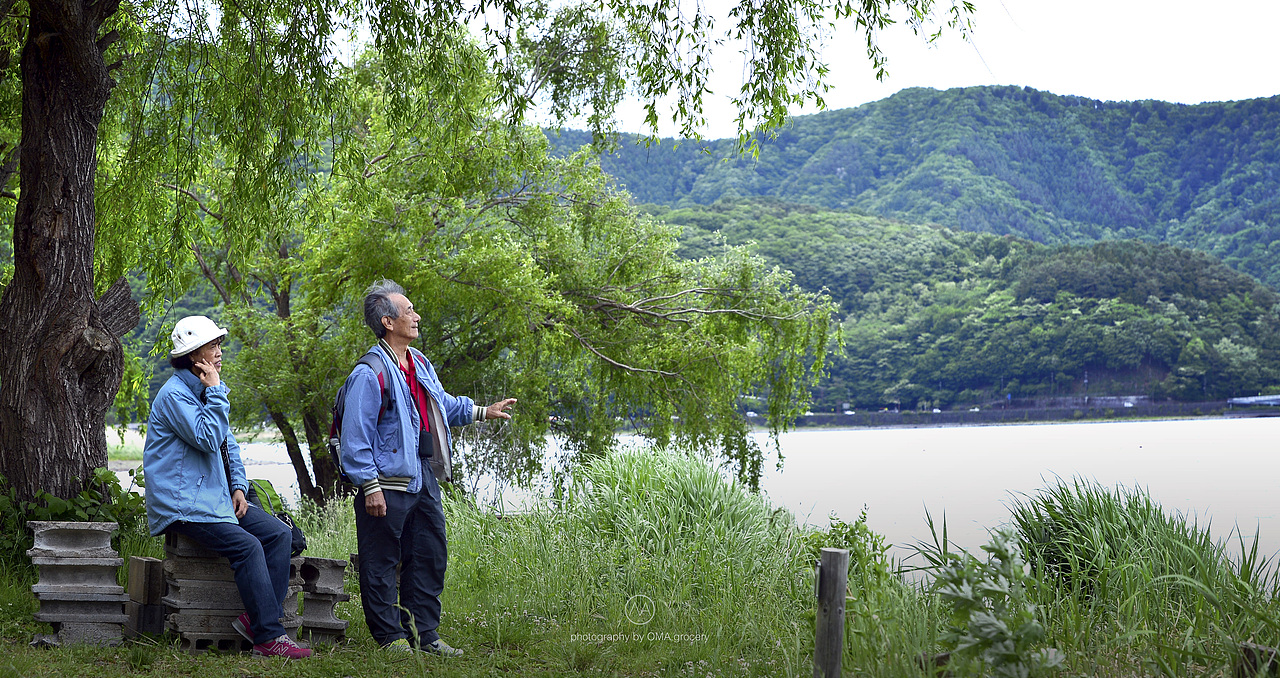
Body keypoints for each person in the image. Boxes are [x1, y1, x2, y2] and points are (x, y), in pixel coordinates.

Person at [340, 279, 516, 655]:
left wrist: (484, 411)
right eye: (409, 311)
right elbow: (355, 437)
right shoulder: (370, 373)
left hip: (422, 476)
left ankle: (425, 636)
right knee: (382, 560)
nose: (417, 316)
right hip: (386, 484)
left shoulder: (418, 363)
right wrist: (370, 486)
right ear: (388, 321)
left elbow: (444, 404)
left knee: (428, 556)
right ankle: (390, 639)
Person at [142, 315, 311, 659]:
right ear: (193, 355)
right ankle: (268, 637)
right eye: (213, 345)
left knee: (279, 534)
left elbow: (227, 444)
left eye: (220, 344)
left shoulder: (207, 391)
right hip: (184, 505)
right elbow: (206, 438)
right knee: (248, 546)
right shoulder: (175, 395)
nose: (220, 351)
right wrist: (217, 390)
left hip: (216, 500)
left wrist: (237, 486)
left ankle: (257, 619)